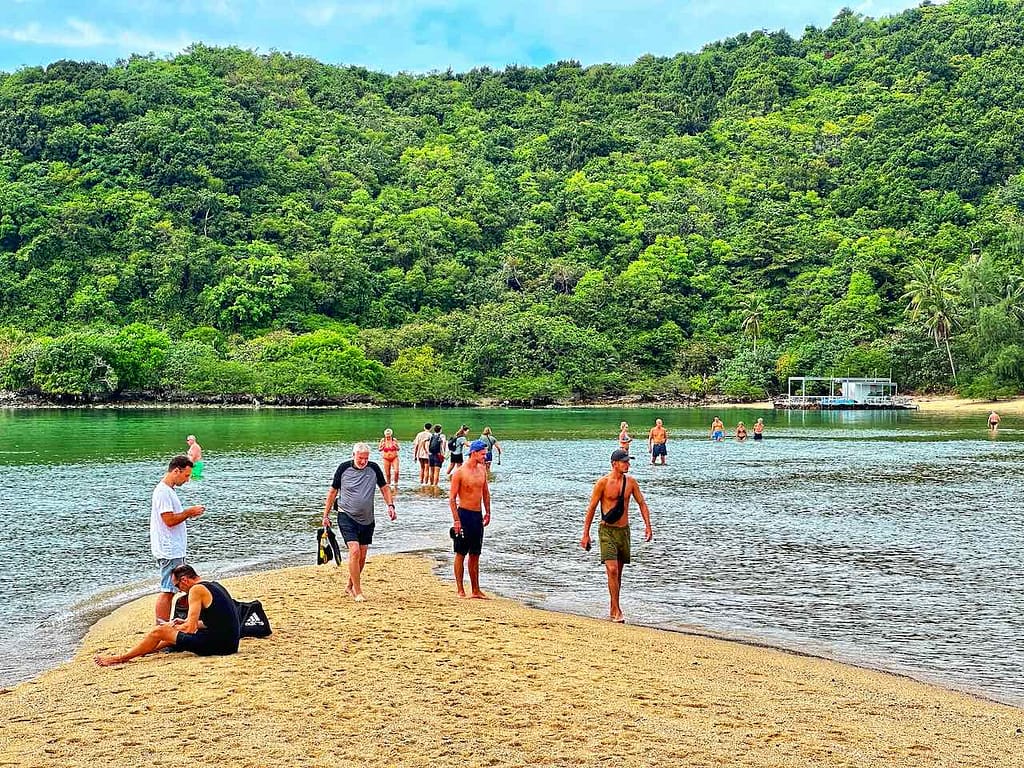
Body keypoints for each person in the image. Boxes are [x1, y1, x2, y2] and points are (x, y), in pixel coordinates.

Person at [95, 565, 240, 666]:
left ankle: (120, 658)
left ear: (184, 580)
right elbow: (216, 622)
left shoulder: (196, 590)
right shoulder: (214, 585)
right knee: (169, 632)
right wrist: (182, 622)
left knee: (159, 631)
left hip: (218, 646)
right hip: (230, 644)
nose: (179, 591)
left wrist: (173, 626)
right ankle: (144, 651)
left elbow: (190, 629)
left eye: (177, 586)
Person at [580, 449, 653, 623]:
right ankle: (616, 610)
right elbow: (591, 508)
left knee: (618, 574)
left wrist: (648, 526)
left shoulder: (631, 483)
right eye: (625, 462)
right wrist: (585, 534)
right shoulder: (602, 483)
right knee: (611, 570)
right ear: (614, 464)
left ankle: (613, 606)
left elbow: (642, 503)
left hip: (624, 532)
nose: (628, 464)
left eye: (628, 461)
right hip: (607, 532)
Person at [322, 442, 396, 601]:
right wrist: (326, 516)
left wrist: (390, 505)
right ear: (353, 455)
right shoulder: (343, 468)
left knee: (362, 556)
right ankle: (358, 591)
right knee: (354, 551)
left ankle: (349, 586)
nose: (363, 461)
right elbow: (333, 491)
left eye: (366, 458)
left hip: (367, 519)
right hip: (346, 515)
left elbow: (384, 487)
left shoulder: (374, 468)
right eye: (360, 458)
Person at [151, 455, 204, 624]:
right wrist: (189, 512)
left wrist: (187, 514)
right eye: (186, 475)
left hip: (173, 548)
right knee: (168, 590)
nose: (187, 480)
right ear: (176, 471)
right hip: (168, 549)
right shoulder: (163, 492)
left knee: (173, 588)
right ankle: (161, 627)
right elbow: (169, 520)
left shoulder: (168, 491)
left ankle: (170, 625)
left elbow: (173, 518)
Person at [449, 440, 492, 598]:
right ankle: (460, 589)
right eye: (482, 453)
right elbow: (452, 499)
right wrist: (456, 520)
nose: (485, 456)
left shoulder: (482, 469)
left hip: (477, 515)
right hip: (464, 515)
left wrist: (488, 512)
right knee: (461, 552)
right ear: (474, 453)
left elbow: (486, 493)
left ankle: (475, 590)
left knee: (475, 553)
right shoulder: (460, 472)